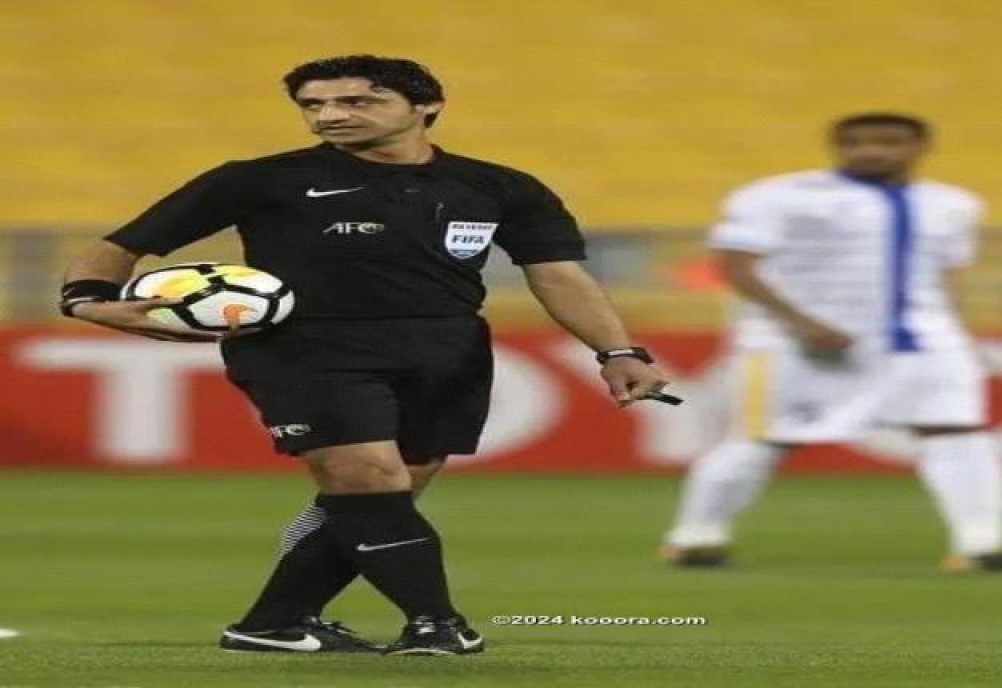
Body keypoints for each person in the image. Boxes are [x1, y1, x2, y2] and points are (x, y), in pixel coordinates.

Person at [59, 54, 671, 656]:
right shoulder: (257, 178)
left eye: (356, 101)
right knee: (365, 475)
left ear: (426, 105)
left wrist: (618, 350)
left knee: (382, 497)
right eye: (313, 105)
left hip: (447, 350)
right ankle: (436, 623)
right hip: (306, 348)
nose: (329, 115)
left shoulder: (500, 187)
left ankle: (274, 622)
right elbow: (123, 246)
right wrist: (86, 301)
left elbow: (558, 275)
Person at [661, 113, 1002, 573]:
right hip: (793, 342)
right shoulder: (779, 196)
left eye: (889, 141)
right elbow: (735, 266)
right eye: (855, 142)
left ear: (920, 147)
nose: (871, 151)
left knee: (958, 431)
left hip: (925, 339)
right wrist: (800, 322)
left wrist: (960, 333)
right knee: (765, 438)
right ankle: (694, 537)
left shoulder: (953, 205)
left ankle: (980, 546)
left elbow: (946, 275)